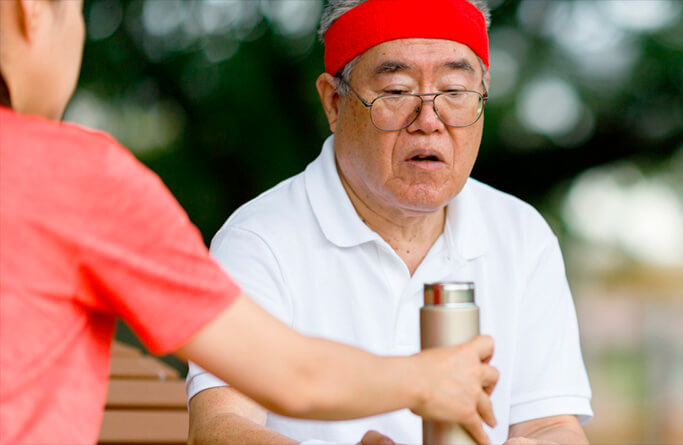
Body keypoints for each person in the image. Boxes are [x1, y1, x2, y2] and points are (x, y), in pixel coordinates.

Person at [0, 1, 501, 444]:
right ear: (33, 9)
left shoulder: (517, 232)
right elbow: (288, 376)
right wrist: (429, 380)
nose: (429, 119)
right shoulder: (73, 178)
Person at [184, 0, 593, 444]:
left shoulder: (521, 235)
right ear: (334, 102)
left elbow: (553, 426)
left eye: (455, 91)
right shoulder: (260, 240)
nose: (430, 122)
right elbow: (221, 428)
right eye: (397, 92)